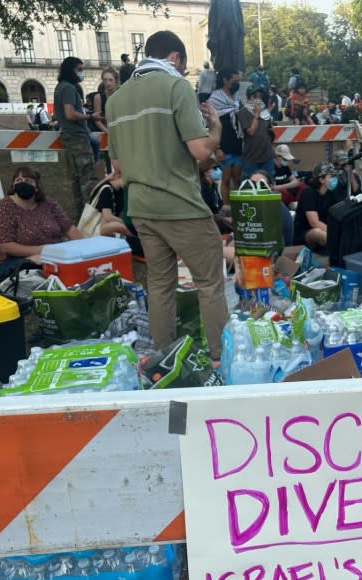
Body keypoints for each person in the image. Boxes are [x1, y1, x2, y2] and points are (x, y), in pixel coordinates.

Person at [105, 29, 228, 365]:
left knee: (160, 286)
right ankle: (220, 359)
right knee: (210, 282)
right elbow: (201, 149)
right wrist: (215, 127)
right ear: (175, 58)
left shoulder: (115, 100)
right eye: (184, 66)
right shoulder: (176, 86)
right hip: (181, 205)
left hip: (141, 207)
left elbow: (117, 164)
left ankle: (163, 359)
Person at [0, 166, 83, 279]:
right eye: (18, 181)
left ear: (36, 187)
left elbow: (69, 228)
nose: (23, 183)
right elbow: (6, 246)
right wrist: (41, 252)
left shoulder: (48, 204)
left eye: (28, 181)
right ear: (13, 186)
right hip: (14, 260)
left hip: (53, 255)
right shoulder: (2, 208)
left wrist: (85, 248)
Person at [53, 56, 100, 217]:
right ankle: (92, 216)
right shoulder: (69, 88)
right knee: (88, 178)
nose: (82, 73)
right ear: (70, 70)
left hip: (69, 137)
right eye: (79, 70)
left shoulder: (60, 87)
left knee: (77, 180)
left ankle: (82, 216)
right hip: (77, 137)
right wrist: (91, 116)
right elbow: (70, 114)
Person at [210, 67, 244, 205]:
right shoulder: (215, 98)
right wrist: (217, 148)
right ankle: (226, 206)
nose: (237, 84)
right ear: (225, 80)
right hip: (223, 144)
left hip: (237, 143)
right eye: (234, 81)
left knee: (237, 178)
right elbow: (211, 125)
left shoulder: (236, 98)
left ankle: (237, 204)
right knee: (226, 178)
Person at [293, 162, 338, 248]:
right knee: (318, 233)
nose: (335, 179)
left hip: (324, 229)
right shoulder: (309, 193)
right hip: (304, 233)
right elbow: (314, 223)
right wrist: (335, 233)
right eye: (331, 176)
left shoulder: (331, 193)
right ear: (321, 179)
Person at [238, 84, 276, 177]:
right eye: (255, 96)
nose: (258, 99)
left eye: (260, 96)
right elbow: (251, 131)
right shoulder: (243, 112)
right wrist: (256, 114)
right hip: (252, 156)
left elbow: (269, 129)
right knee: (250, 185)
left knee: (269, 183)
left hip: (267, 155)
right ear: (249, 97)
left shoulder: (264, 111)